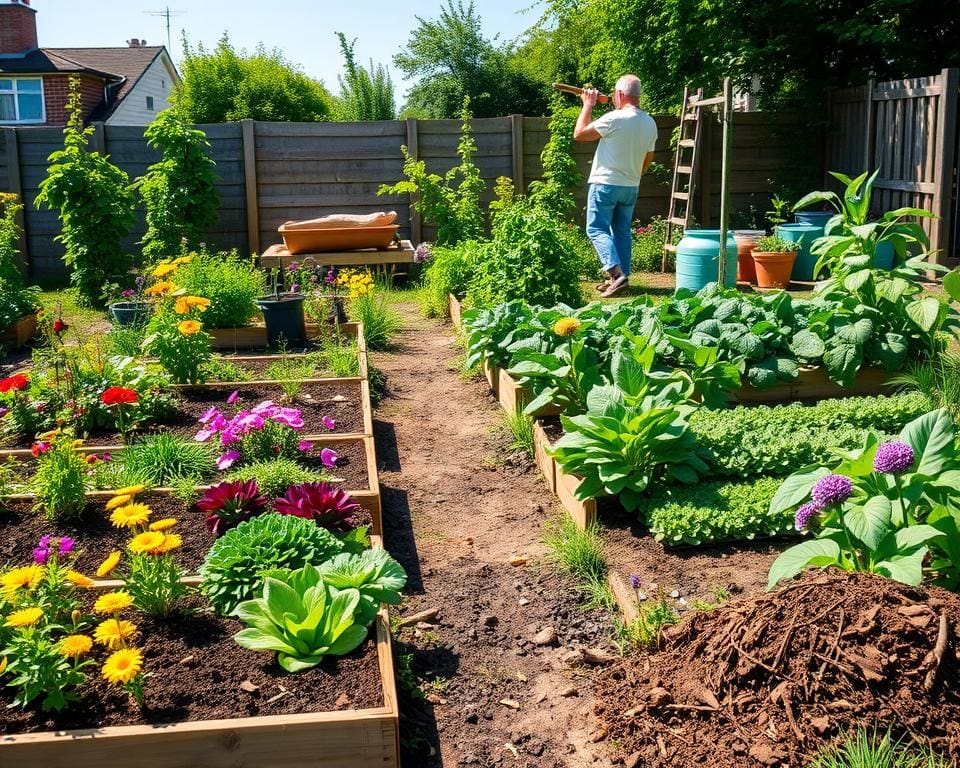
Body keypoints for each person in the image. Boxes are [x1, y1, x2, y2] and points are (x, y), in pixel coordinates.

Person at [574, 74, 657, 297]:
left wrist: (588, 105)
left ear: (619, 94)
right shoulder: (650, 122)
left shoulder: (614, 118)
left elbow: (579, 134)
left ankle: (616, 273)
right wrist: (632, 176)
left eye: (614, 94)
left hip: (605, 184)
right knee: (621, 231)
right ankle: (623, 276)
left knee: (596, 228)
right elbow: (647, 160)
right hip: (631, 186)